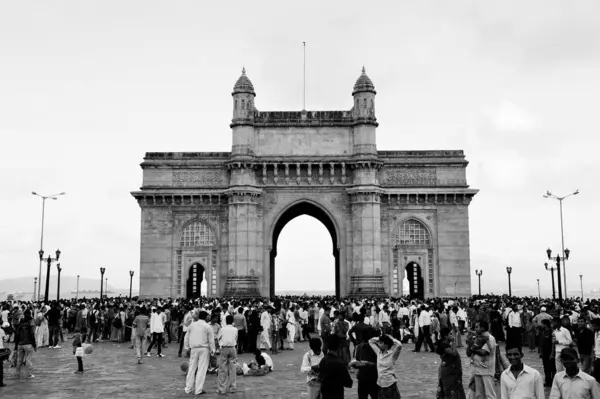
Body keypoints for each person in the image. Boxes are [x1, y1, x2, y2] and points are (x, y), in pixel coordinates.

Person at [184, 310, 215, 396]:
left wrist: (186, 347)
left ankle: (188, 388)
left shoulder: (192, 325)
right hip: (204, 349)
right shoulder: (207, 327)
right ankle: (198, 390)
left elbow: (186, 336)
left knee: (191, 368)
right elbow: (211, 340)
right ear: (205, 317)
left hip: (194, 348)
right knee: (201, 369)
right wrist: (213, 350)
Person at [368, 333, 403, 399]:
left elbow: (399, 345)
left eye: (381, 343)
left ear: (386, 344)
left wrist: (391, 339)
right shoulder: (378, 352)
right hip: (380, 384)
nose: (378, 344)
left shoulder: (393, 354)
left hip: (390, 384)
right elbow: (370, 341)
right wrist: (380, 338)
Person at [468, 320, 497, 399]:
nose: (475, 329)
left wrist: (472, 348)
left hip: (487, 370)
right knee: (479, 395)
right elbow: (469, 352)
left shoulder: (490, 338)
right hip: (477, 370)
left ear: (483, 328)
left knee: (490, 395)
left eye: (477, 327)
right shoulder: (477, 338)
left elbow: (484, 352)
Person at [435, 328, 465, 399]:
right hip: (448, 371)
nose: (452, 335)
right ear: (446, 336)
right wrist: (454, 341)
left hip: (451, 371)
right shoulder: (443, 345)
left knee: (454, 389)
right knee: (449, 390)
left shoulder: (446, 344)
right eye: (450, 334)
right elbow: (454, 353)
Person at [351, 328, 378, 399]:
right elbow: (356, 361)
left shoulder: (376, 348)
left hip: (373, 378)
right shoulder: (359, 347)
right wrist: (355, 365)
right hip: (363, 378)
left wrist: (369, 364)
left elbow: (381, 363)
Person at [217, 314, 238, 395]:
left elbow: (218, 338)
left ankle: (222, 388)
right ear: (232, 321)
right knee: (233, 368)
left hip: (224, 348)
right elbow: (236, 338)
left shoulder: (222, 329)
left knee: (222, 369)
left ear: (225, 321)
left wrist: (219, 345)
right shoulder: (235, 329)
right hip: (232, 348)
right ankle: (233, 387)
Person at [14, 309, 37, 379]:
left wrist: (16, 345)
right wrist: (35, 345)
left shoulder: (21, 323)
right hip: (28, 344)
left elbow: (17, 335)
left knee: (19, 360)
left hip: (20, 344)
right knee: (28, 359)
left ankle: (17, 374)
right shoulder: (31, 321)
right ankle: (29, 374)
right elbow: (32, 334)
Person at [539, 319, 555, 387]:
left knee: (551, 368)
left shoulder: (551, 332)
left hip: (549, 353)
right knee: (545, 367)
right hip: (544, 353)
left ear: (545, 324)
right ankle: (547, 381)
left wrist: (552, 354)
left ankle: (551, 381)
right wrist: (540, 352)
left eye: (542, 323)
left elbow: (553, 344)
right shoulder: (543, 332)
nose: (541, 325)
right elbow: (541, 343)